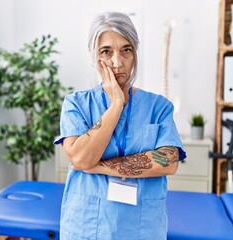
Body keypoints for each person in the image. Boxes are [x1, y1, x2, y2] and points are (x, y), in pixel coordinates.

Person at [54, 11, 186, 240]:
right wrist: (116, 104)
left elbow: (169, 161)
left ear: (135, 53)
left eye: (126, 50)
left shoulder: (159, 107)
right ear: (93, 56)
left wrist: (100, 166)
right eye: (106, 51)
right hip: (86, 228)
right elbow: (81, 158)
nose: (117, 62)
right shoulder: (75, 104)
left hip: (142, 229)